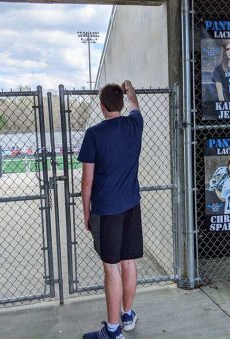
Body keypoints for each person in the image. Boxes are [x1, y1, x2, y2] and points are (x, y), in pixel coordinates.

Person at [79, 81, 143, 339]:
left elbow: (87, 180)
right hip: (131, 206)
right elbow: (136, 106)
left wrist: (86, 213)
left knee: (112, 267)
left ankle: (113, 331)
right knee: (128, 262)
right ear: (121, 103)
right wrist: (131, 90)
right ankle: (127, 315)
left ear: (102, 106)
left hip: (106, 210)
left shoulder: (94, 134)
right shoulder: (134, 125)